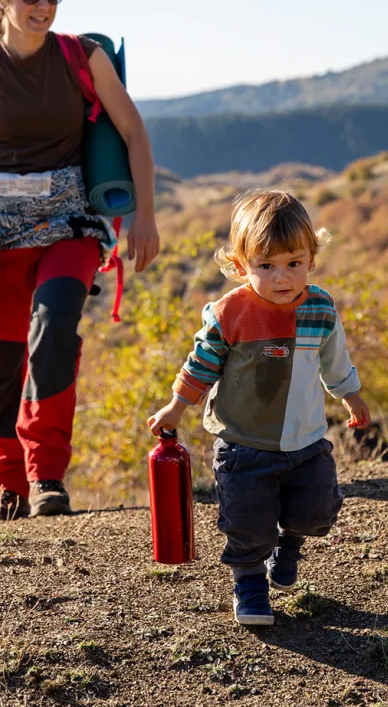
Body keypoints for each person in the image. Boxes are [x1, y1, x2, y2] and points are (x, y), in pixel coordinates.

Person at [0, 0, 160, 521]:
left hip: (70, 224)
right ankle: (6, 486)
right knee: (1, 362)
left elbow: (133, 132)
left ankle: (46, 478)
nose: (43, 4)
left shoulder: (83, 57)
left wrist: (146, 216)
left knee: (54, 325)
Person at [147, 190, 370, 626]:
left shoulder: (320, 308)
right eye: (265, 266)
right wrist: (177, 407)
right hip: (243, 442)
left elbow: (335, 360)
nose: (281, 277)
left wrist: (352, 394)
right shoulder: (230, 312)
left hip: (306, 439)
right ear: (240, 266)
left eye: (293, 263)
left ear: (312, 259)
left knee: (317, 512)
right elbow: (201, 364)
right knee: (248, 523)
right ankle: (249, 585)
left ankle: (289, 544)